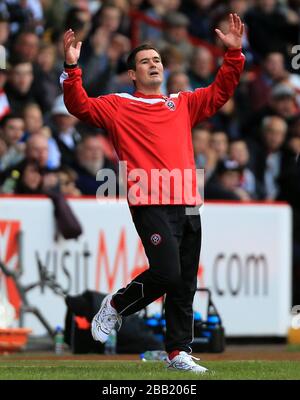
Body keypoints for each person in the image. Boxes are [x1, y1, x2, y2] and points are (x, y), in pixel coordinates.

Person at [61, 13, 245, 373]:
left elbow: (221, 91)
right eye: (145, 61)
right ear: (132, 74)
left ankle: (178, 352)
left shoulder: (182, 103)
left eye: (157, 60)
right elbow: (78, 105)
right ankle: (115, 306)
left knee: (185, 280)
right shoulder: (118, 105)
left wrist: (234, 56)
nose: (153, 65)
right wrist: (71, 68)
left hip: (188, 201)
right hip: (149, 199)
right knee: (166, 273)